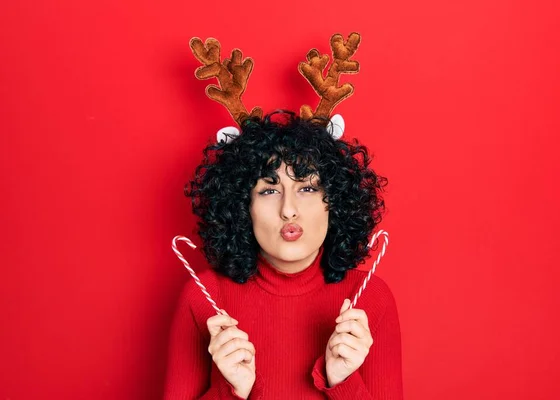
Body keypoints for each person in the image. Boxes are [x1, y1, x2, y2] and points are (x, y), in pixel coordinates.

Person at [163, 111, 403, 399]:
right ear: (242, 206)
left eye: (307, 188)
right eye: (269, 190)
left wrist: (343, 382)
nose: (288, 210)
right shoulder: (204, 298)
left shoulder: (371, 299)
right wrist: (231, 392)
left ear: (335, 203)